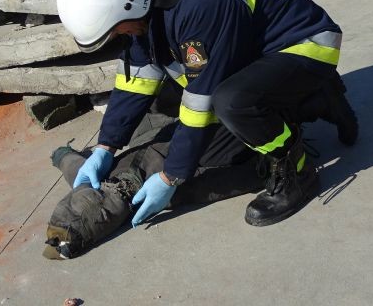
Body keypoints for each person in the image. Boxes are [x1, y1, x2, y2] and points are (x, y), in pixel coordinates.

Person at [56, 0, 358, 228]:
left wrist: (170, 177)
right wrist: (105, 146)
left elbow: (202, 99)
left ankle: (298, 170)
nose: (115, 37)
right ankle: (312, 97)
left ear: (128, 3)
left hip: (306, 45)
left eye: (113, 30)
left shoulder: (201, 3)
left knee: (230, 103)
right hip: (257, 52)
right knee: (193, 129)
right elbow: (136, 79)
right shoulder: (151, 1)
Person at [44, 108, 265, 259]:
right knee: (223, 147)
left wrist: (69, 154)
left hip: (164, 126)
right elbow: (224, 182)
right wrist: (262, 171)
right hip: (189, 135)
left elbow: (71, 165)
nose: (110, 190)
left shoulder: (91, 179)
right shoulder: (168, 193)